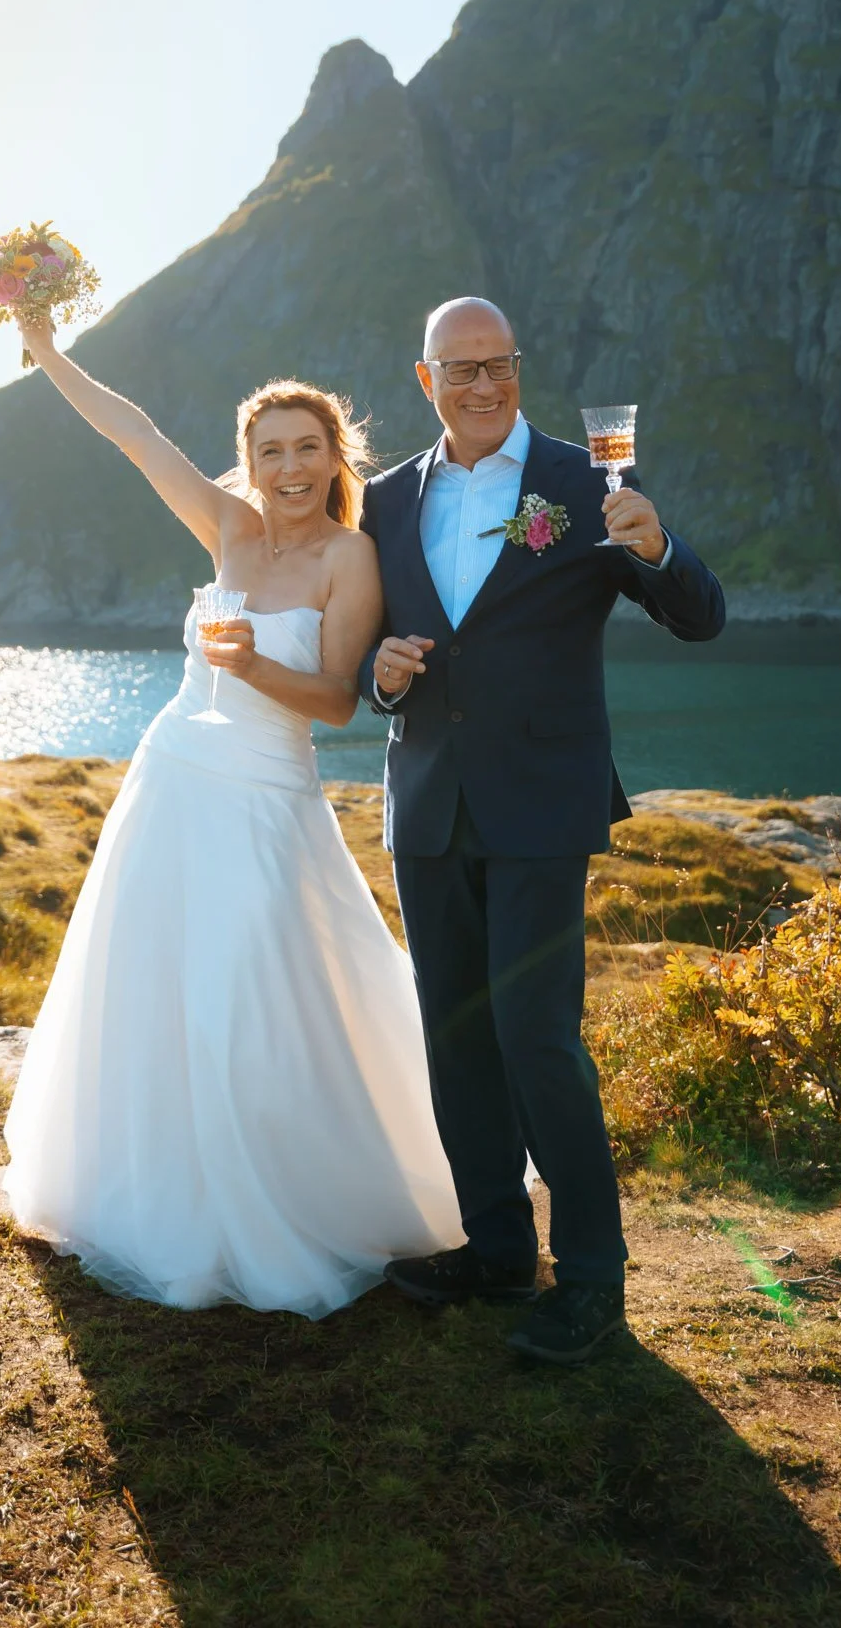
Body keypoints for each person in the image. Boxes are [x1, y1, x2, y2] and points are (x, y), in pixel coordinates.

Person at [2, 314, 462, 1317]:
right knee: (154, 984)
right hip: (172, 780)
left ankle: (276, 1193)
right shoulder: (226, 527)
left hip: (264, 798)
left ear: (333, 457)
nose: (289, 467)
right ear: (247, 462)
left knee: (249, 995)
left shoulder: (348, 557)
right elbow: (135, 436)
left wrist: (253, 665)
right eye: (270, 451)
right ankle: (156, 1193)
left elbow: (340, 699)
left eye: (307, 448)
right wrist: (44, 350)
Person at [361, 297, 725, 1365]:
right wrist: (377, 681)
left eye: (500, 364)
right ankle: (494, 1249)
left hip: (539, 807)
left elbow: (700, 615)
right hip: (426, 806)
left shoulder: (586, 483)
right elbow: (366, 655)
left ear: (518, 368)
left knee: (537, 1036)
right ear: (424, 381)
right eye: (459, 369)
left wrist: (658, 547)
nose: (482, 384)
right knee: (458, 1036)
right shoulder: (384, 501)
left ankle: (593, 1281)